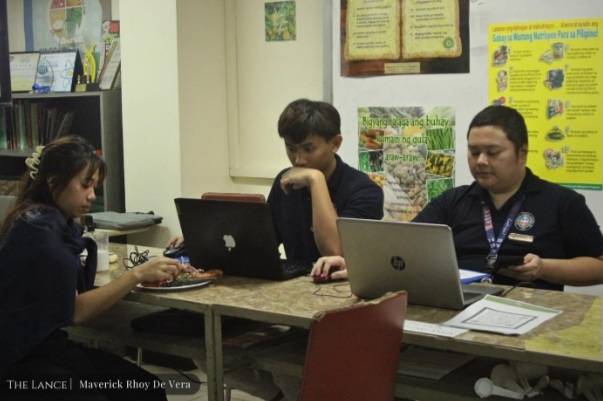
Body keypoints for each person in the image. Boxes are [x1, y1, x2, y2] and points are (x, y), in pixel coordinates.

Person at [313, 105, 603, 290]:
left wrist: (545, 268)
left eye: (492, 152)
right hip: (458, 309)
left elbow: (598, 267)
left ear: (522, 153)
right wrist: (355, 265)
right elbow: (401, 248)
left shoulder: (562, 202)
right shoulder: (454, 201)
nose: (481, 161)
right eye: (474, 152)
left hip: (531, 315)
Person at [0, 136, 185, 400]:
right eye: (85, 185)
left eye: (94, 186)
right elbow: (77, 313)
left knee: (145, 388)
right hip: (20, 360)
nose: (92, 195)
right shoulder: (40, 233)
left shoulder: (36, 219)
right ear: (54, 183)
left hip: (39, 347)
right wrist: (138, 274)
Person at [269, 98, 383, 266]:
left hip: (340, 282)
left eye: (308, 149)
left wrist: (316, 181)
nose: (298, 160)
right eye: (291, 149)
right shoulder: (285, 181)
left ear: (335, 144)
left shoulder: (365, 192)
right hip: (295, 280)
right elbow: (263, 243)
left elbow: (334, 253)